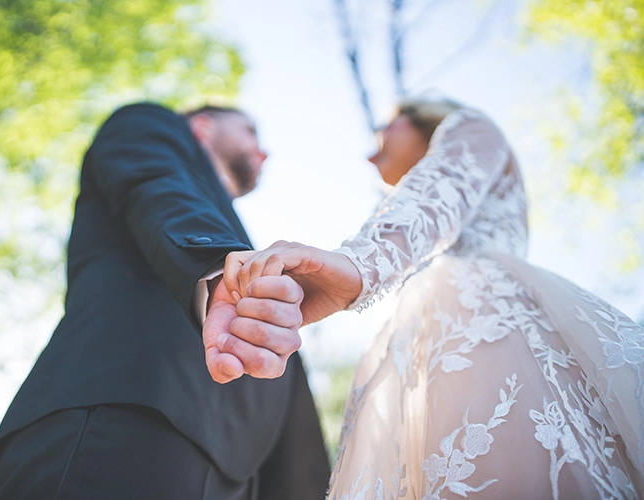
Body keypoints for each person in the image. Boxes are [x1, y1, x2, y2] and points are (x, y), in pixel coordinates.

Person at [219, 98, 644, 499]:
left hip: (490, 327)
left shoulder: (471, 127)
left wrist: (357, 266)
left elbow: (438, 193)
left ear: (417, 116)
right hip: (422, 344)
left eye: (383, 130)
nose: (371, 155)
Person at [0, 103, 330, 500]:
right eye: (249, 131)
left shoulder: (238, 236)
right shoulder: (148, 125)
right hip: (121, 425)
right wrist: (217, 270)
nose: (263, 151)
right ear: (202, 126)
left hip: (236, 476)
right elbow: (158, 184)